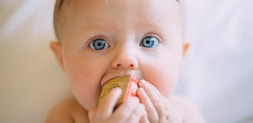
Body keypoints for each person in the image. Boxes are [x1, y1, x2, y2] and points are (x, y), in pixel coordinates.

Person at [46, 0, 205, 123]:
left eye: (149, 41)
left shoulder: (185, 115)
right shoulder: (65, 116)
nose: (125, 58)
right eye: (99, 44)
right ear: (62, 60)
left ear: (180, 56)